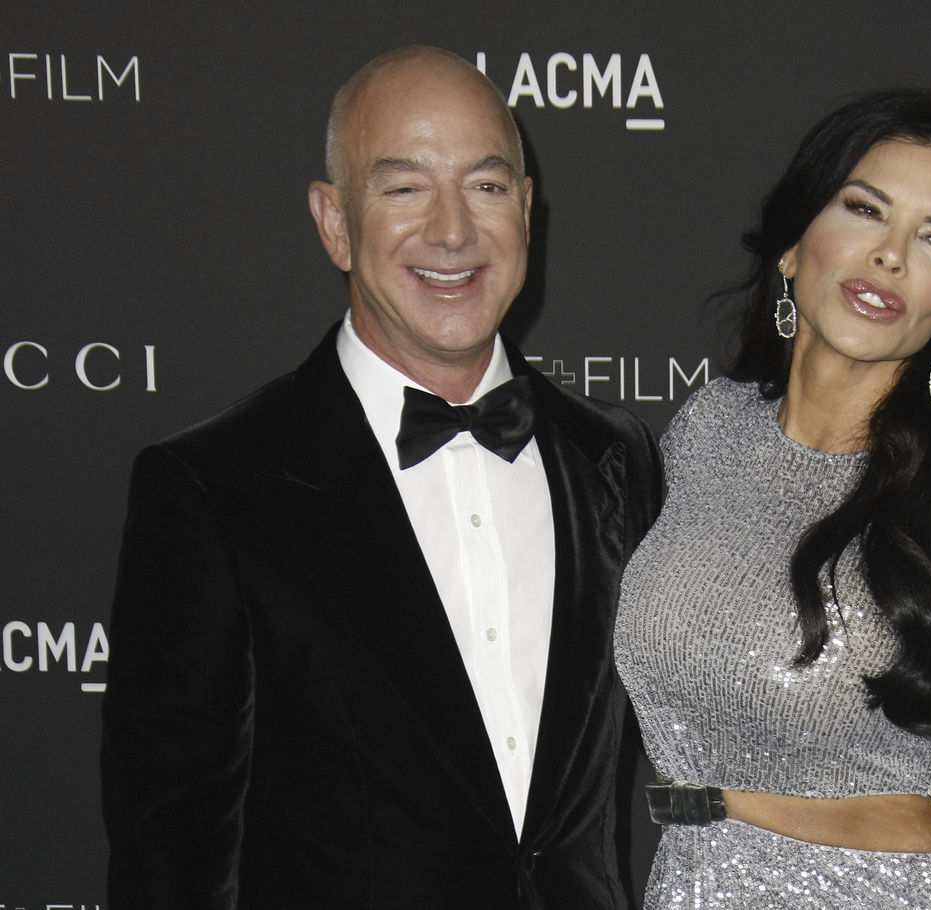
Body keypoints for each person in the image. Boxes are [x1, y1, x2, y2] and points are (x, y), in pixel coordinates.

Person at [100, 46, 663, 909]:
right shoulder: (216, 487)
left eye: (485, 186)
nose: (452, 231)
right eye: (404, 189)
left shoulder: (613, 458)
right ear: (334, 222)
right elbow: (168, 854)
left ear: (525, 209)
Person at [615, 89, 931, 909]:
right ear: (793, 246)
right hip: (691, 883)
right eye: (866, 210)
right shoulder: (709, 428)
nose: (891, 256)